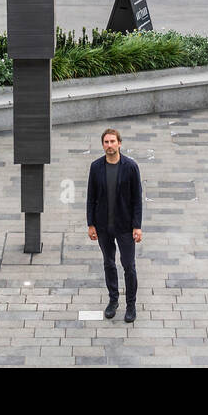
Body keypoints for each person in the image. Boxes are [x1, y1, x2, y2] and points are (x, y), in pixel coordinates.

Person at [86, 127, 143, 322]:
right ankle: (113, 300)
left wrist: (137, 226)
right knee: (109, 263)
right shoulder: (95, 167)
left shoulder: (131, 167)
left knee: (128, 265)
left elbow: (137, 199)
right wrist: (90, 224)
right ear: (103, 145)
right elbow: (90, 198)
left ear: (119, 143)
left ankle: (131, 304)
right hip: (103, 227)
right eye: (106, 142)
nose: (109, 145)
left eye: (112, 141)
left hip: (125, 226)